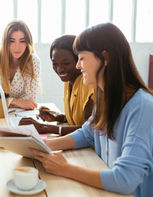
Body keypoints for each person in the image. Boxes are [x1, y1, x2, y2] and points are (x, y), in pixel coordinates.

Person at [30, 23, 153, 197]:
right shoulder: (106, 97)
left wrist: (66, 169)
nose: (78, 66)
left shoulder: (142, 107)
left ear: (105, 58)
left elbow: (125, 179)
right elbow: (87, 133)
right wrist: (43, 145)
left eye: (81, 58)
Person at [19, 35, 94, 135]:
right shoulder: (69, 82)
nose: (60, 69)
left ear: (78, 61)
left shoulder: (88, 85)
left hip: (90, 149)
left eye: (66, 63)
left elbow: (89, 130)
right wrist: (57, 117)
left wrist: (45, 127)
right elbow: (75, 119)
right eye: (55, 64)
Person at [0, 20, 40, 110]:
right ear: (6, 42)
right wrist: (16, 102)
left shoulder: (33, 61)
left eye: (22, 41)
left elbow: (29, 100)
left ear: (27, 43)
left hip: (20, 113)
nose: (17, 47)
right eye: (12, 41)